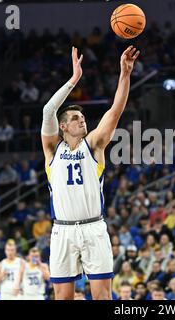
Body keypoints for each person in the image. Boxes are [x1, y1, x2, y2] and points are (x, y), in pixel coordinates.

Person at [40, 46, 139, 300]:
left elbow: (115, 112)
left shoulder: (93, 144)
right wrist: (74, 80)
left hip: (94, 227)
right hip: (62, 231)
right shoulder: (51, 150)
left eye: (82, 117)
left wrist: (124, 76)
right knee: (62, 297)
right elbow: (48, 111)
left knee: (102, 297)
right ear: (62, 127)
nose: (81, 120)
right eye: (75, 118)